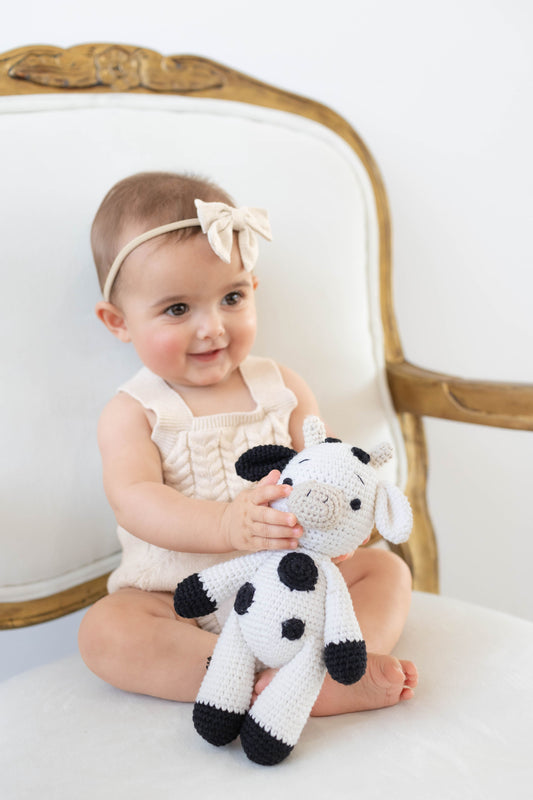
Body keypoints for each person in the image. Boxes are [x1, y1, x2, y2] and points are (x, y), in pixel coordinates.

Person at [78, 171, 417, 715]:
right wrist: (223, 526)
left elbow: (326, 468)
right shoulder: (134, 412)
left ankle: (335, 665)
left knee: (386, 572)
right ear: (118, 321)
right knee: (105, 631)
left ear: (252, 290)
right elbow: (134, 498)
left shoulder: (282, 388)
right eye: (177, 309)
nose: (212, 327)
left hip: (298, 585)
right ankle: (245, 675)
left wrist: (338, 525)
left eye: (231, 297)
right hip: (179, 600)